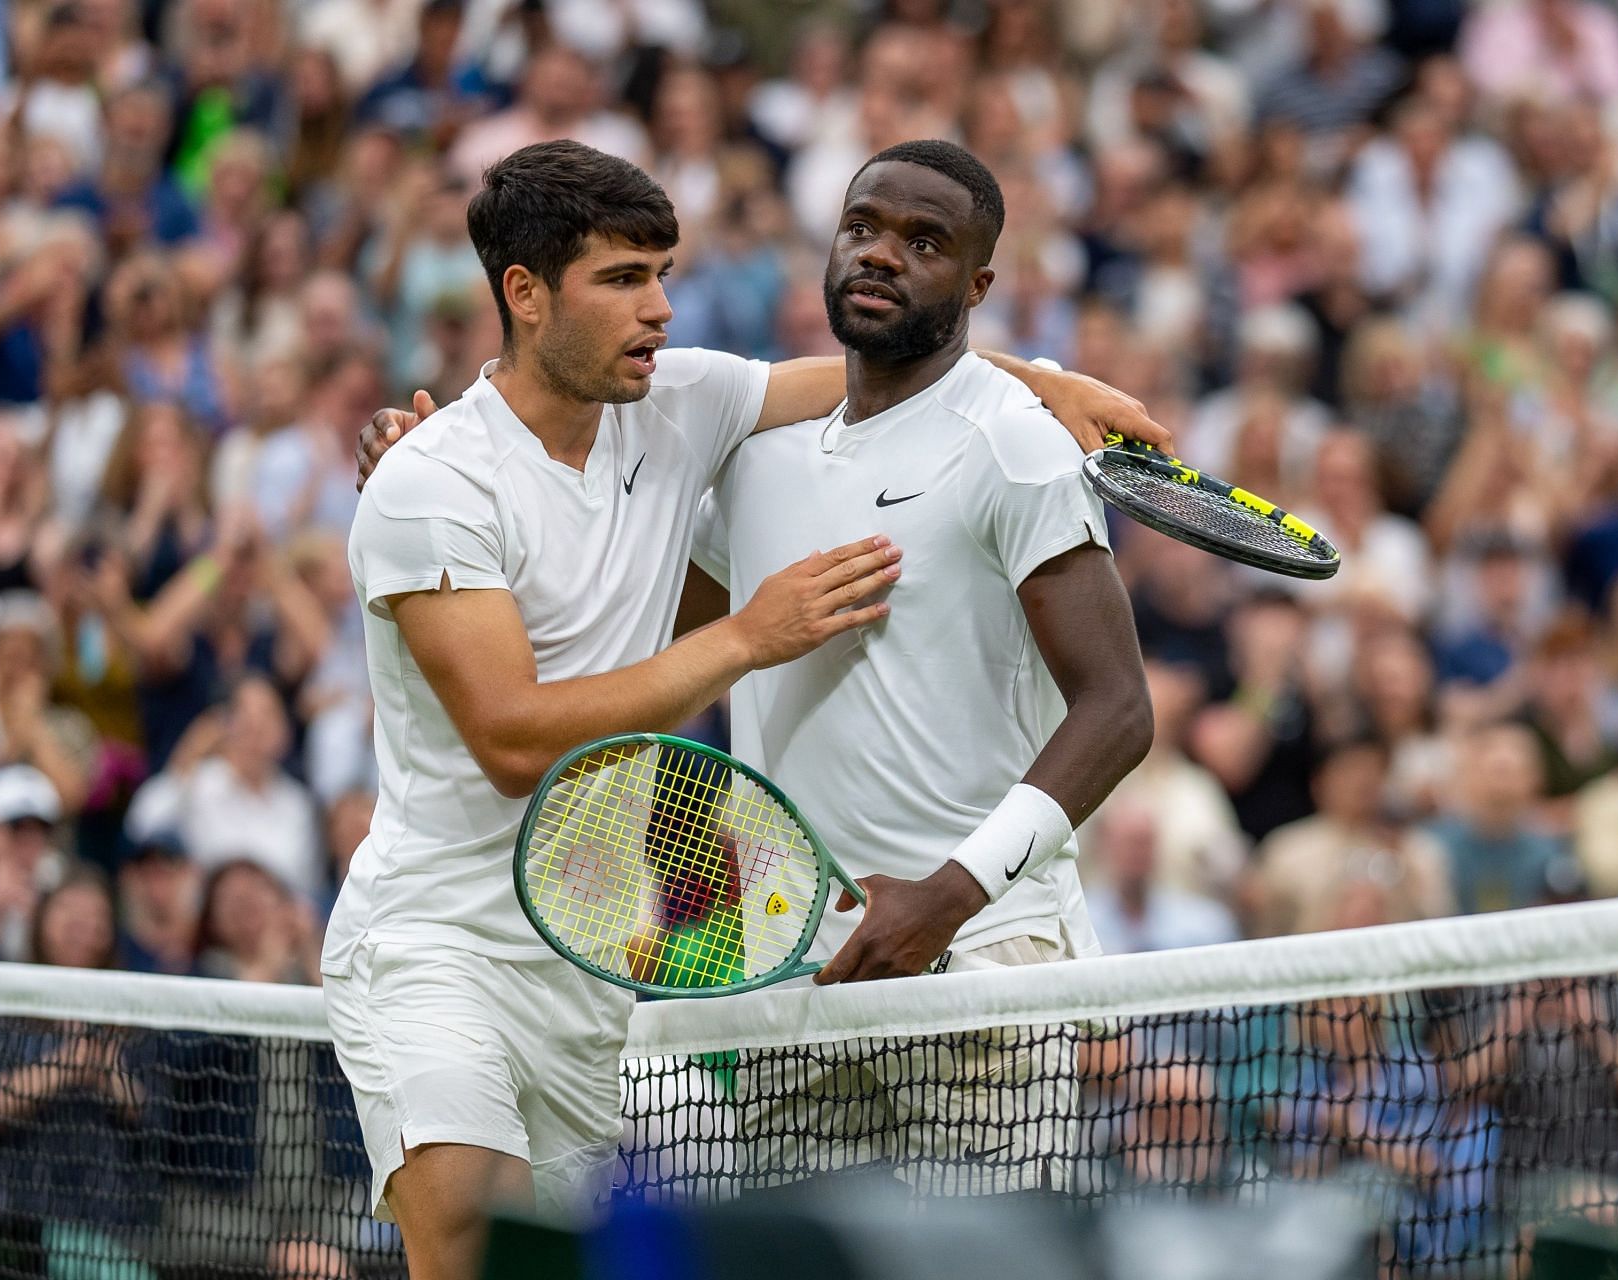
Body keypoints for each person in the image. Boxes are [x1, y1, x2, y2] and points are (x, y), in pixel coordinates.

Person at [329, 139, 1166, 1279]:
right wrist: (748, 636)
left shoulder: (698, 405)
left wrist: (1046, 379)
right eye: (624, 280)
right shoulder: (476, 474)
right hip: (505, 945)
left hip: (903, 965)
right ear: (523, 294)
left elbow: (1116, 701)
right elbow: (537, 713)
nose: (662, 308)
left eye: (663, 272)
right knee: (482, 1252)